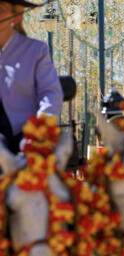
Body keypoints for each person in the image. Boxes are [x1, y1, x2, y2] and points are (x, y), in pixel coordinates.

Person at [0, 1, 63, 154]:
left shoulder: (36, 51)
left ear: (17, 17)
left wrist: (40, 130)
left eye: (0, 9)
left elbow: (50, 93)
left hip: (27, 136)